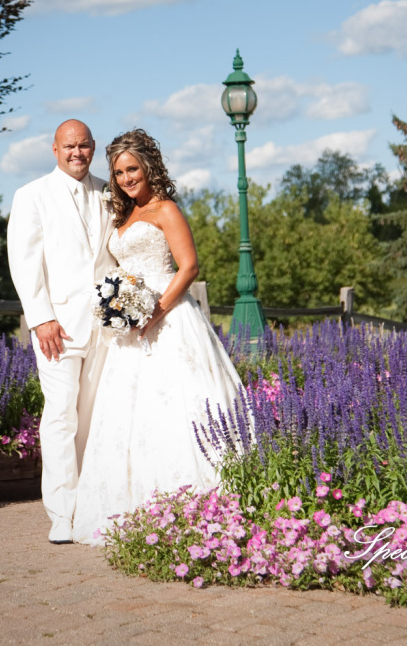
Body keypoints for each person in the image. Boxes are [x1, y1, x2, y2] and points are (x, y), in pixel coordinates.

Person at [71, 129, 248, 546]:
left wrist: (153, 312)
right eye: (118, 173)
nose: (126, 178)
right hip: (129, 329)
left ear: (148, 167)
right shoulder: (123, 215)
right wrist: (119, 308)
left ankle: (194, 506)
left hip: (167, 318)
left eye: (132, 169)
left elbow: (188, 268)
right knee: (128, 415)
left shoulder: (165, 209)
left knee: (181, 407)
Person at [7, 119, 116, 544]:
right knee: (59, 417)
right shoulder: (31, 195)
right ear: (54, 149)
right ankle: (62, 514)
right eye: (69, 146)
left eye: (85, 146)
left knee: (93, 418)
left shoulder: (110, 191)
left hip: (106, 328)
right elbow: (24, 261)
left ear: (93, 148)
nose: (78, 153)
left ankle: (91, 504)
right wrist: (40, 317)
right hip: (57, 328)